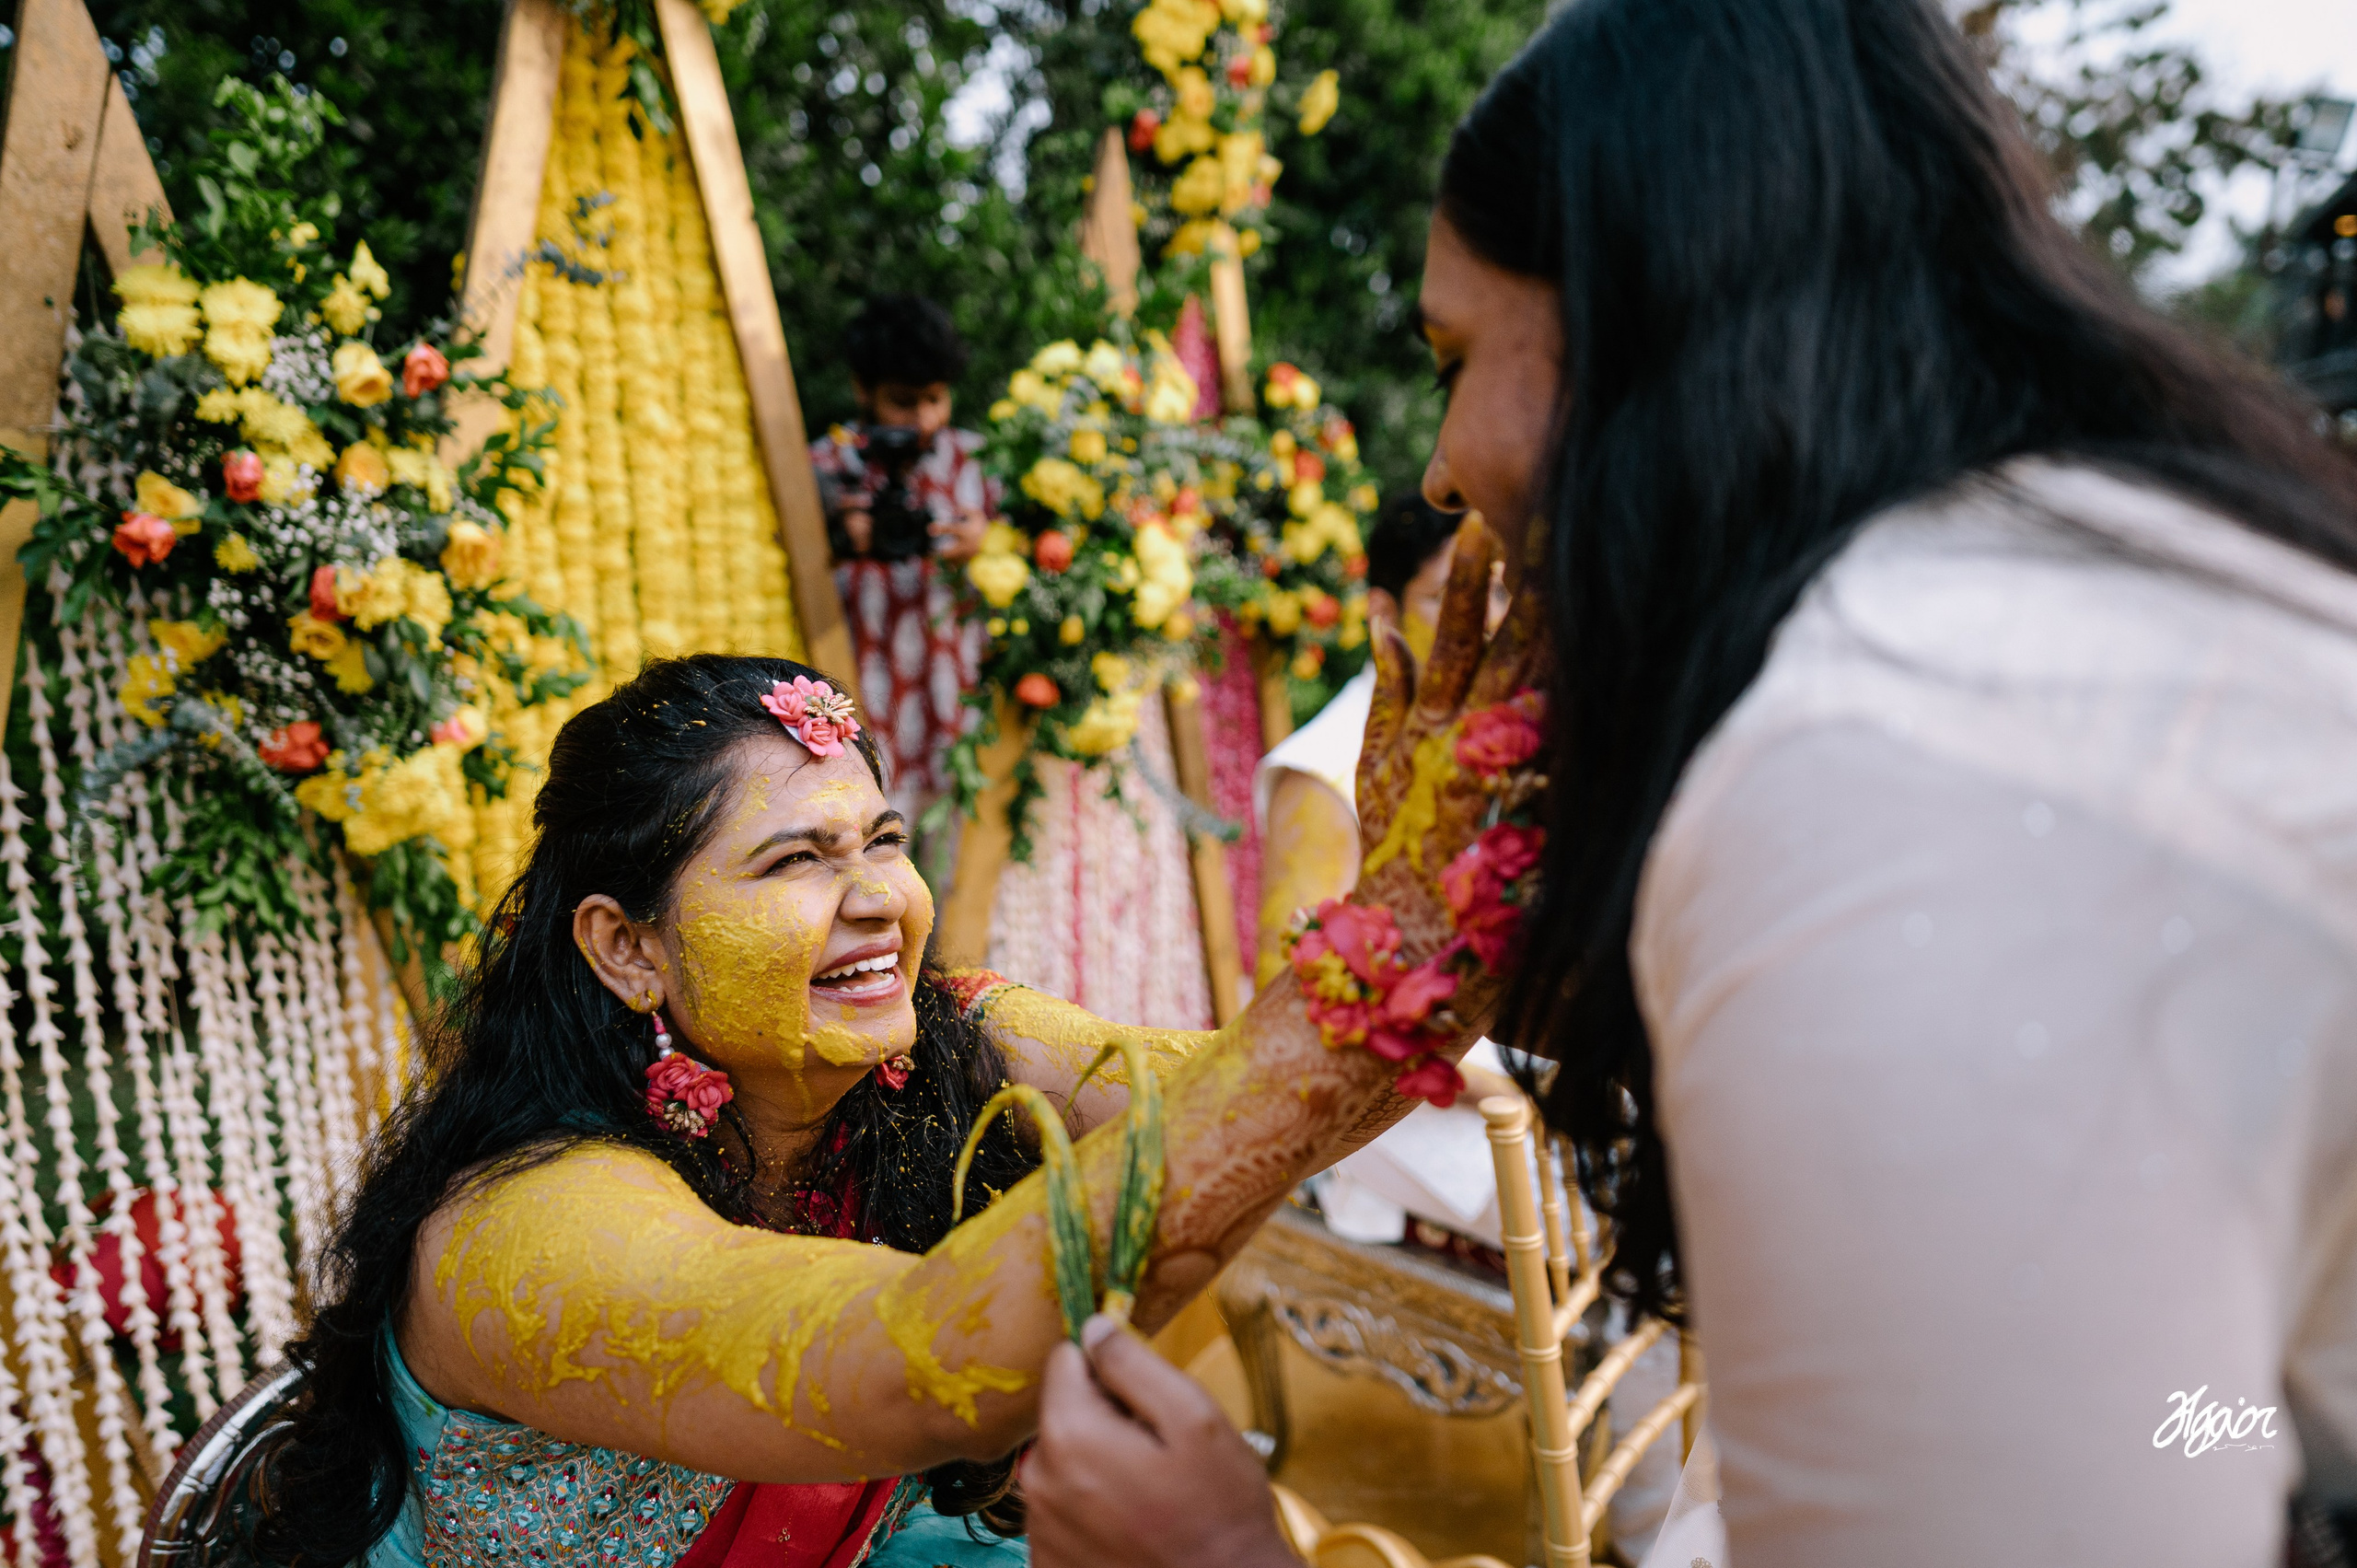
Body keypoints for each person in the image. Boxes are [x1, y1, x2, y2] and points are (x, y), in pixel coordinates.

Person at [1021, 2, 2357, 1565]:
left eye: (1459, 357)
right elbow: (2178, 1413)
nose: (1441, 468)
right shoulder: (2067, 579)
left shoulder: (1868, 779)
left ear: (1643, 337)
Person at [253, 599, 1535, 1568]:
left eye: (881, 838)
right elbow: (906, 1359)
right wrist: (1377, 974)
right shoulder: (523, 1224)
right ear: (627, 946)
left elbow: (1232, 1103)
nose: (877, 897)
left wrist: (1438, 928)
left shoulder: (940, 1034)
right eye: (795, 861)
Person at [1251, 495, 1503, 988]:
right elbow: (1297, 996)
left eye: (1498, 591)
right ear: (1384, 614)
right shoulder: (1325, 771)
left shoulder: (1498, 743)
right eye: (1456, 595)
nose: (1490, 620)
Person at [811, 295, 996, 838]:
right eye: (902, 402)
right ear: (861, 390)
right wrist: (833, 539)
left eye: (936, 400)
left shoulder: (983, 467)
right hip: (854, 730)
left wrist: (992, 546)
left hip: (962, 733)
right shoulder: (818, 469)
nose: (923, 421)